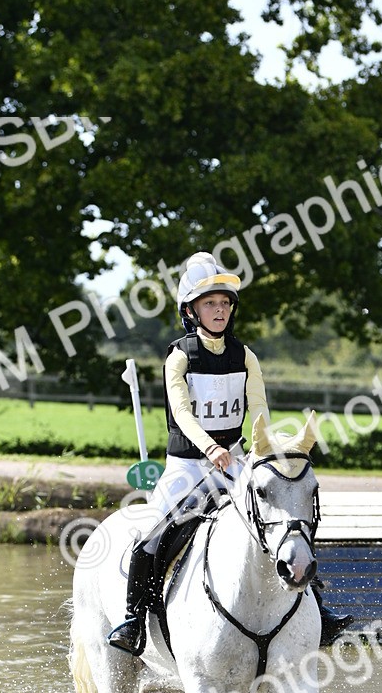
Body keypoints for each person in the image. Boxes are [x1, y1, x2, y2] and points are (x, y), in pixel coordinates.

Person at [107, 251, 352, 655]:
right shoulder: (179, 357)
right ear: (191, 310)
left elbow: (259, 410)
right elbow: (182, 414)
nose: (219, 310)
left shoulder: (245, 356)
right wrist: (209, 448)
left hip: (236, 463)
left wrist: (266, 449)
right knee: (149, 540)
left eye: (224, 303)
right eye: (210, 304)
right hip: (187, 466)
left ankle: (318, 612)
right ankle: (133, 620)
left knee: (284, 520)